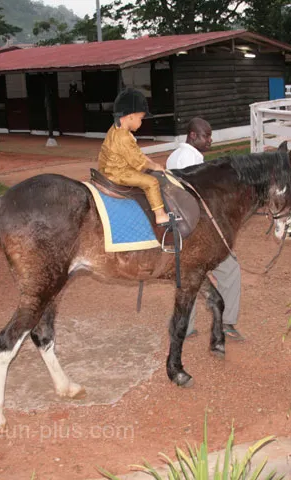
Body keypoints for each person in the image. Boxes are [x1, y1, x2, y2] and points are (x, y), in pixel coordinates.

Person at [166, 118, 244, 341]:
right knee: (229, 269)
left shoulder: (175, 156)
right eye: (206, 136)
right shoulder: (192, 159)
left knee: (192, 275)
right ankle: (227, 322)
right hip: (197, 230)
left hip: (180, 227)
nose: (210, 140)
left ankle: (185, 326)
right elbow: (199, 199)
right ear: (193, 136)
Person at [98, 88, 170, 225]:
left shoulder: (115, 129)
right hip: (117, 172)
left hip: (110, 168)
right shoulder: (123, 137)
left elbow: (136, 152)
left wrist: (151, 162)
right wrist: (154, 166)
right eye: (140, 118)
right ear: (130, 116)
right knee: (151, 182)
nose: (141, 123)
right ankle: (160, 215)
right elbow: (139, 161)